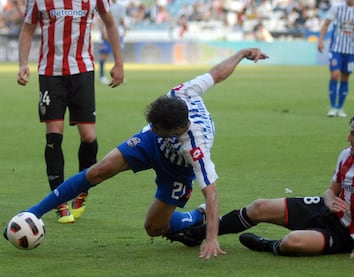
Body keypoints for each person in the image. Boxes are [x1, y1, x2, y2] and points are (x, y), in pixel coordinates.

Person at [7, 48, 269, 259]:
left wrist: (211, 238)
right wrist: (242, 54)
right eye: (151, 124)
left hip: (178, 169)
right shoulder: (182, 93)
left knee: (154, 228)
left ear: (176, 129)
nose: (152, 127)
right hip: (151, 145)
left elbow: (211, 192)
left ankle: (193, 217)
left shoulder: (195, 147)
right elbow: (217, 74)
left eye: (157, 127)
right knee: (99, 170)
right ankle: (32, 213)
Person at [169, 108, 354, 259]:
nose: (348, 138)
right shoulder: (346, 156)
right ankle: (196, 234)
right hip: (325, 210)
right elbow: (330, 192)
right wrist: (330, 201)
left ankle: (267, 245)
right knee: (259, 206)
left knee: (294, 241)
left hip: (350, 234)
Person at [17, 0, 124, 224]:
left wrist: (119, 63)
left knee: (89, 136)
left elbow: (110, 24)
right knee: (54, 135)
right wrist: (23, 63)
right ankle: (59, 202)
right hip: (50, 73)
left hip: (82, 71)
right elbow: (27, 29)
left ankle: (82, 190)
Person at [317, 0, 354, 118]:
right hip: (336, 48)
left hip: (350, 50)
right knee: (335, 75)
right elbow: (326, 24)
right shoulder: (336, 7)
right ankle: (332, 107)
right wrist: (320, 40)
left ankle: (340, 107)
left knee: (345, 77)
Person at [99, 0, 127, 85]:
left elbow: (122, 20)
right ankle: (102, 76)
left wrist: (125, 30)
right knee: (104, 56)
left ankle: (120, 75)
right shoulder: (105, 3)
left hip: (117, 34)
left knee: (119, 54)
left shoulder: (121, 7)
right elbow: (101, 20)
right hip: (107, 34)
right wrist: (103, 32)